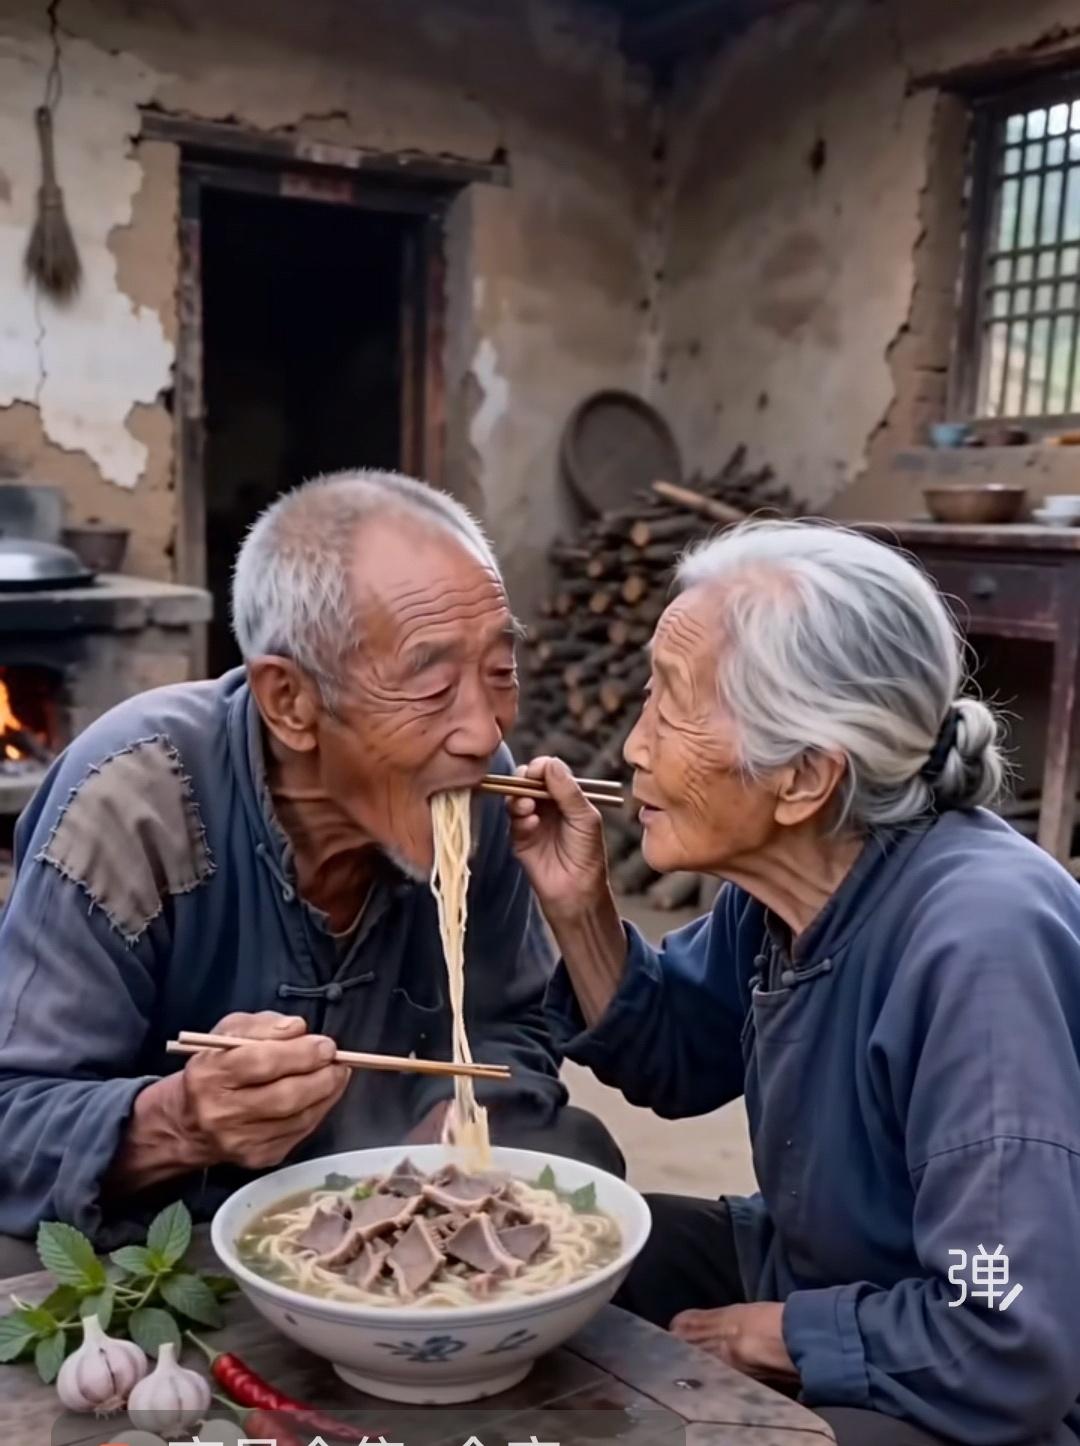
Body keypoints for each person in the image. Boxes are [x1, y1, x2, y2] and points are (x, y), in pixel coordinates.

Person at [508, 520, 1080, 1446]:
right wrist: (579, 907)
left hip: (992, 1383)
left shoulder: (982, 947)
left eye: (673, 707)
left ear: (806, 776)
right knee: (563, 1260)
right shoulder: (793, 884)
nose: (634, 745)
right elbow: (677, 1055)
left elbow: (1004, 1331)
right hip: (826, 1267)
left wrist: (785, 1334)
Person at [0, 470, 621, 1265]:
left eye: (500, 672)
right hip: (167, 1228)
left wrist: (462, 1121)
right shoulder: (134, 799)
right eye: (432, 683)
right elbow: (16, 1116)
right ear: (290, 701)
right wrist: (180, 1119)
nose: (482, 726)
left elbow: (513, 1025)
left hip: (392, 1212)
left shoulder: (477, 785)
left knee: (571, 1152)